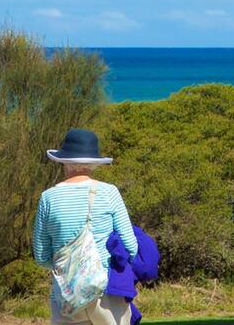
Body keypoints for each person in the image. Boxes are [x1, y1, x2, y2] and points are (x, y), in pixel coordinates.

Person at [33, 129, 138, 325]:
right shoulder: (109, 193)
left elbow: (41, 256)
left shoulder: (48, 198)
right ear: (93, 162)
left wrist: (72, 269)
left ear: (64, 161)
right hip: (106, 290)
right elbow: (130, 246)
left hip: (66, 293)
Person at [105, 224, 159, 324]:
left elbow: (123, 253)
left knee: (121, 293)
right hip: (148, 266)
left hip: (139, 265)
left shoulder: (119, 230)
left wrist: (120, 257)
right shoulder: (138, 233)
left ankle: (132, 317)